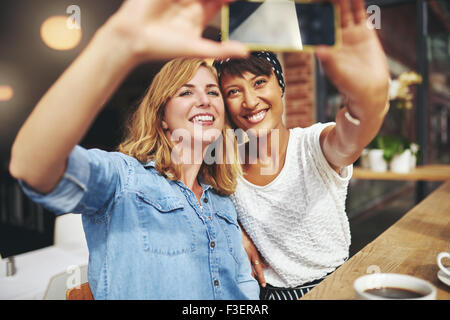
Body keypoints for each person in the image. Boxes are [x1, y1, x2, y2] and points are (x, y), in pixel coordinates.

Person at [8, 0, 260, 299]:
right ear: (163, 119)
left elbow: (243, 291)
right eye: (186, 92)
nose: (204, 100)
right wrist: (117, 43)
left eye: (212, 92)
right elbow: (31, 165)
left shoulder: (222, 202)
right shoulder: (123, 180)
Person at [213, 0, 391, 300]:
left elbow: (353, 135)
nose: (250, 101)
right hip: (269, 295)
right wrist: (231, 230)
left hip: (336, 286)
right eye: (234, 91)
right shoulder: (225, 165)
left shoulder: (313, 144)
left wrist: (370, 97)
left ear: (281, 87)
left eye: (259, 82)